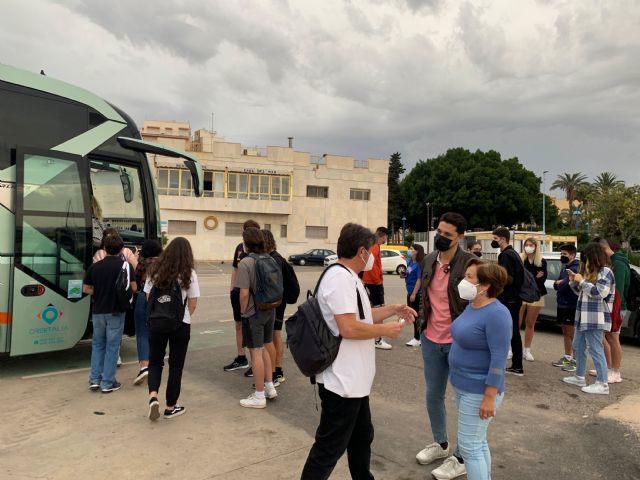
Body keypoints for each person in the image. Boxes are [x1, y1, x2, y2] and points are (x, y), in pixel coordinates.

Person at [301, 223, 416, 479]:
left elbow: (362, 316)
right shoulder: (339, 279)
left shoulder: (349, 276)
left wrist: (393, 309)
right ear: (362, 252)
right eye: (373, 250)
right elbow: (349, 327)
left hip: (355, 381)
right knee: (329, 448)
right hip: (342, 382)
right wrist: (385, 330)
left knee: (362, 437)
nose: (374, 256)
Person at [416, 212, 474, 480]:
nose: (440, 237)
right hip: (431, 339)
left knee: (464, 401)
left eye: (447, 234)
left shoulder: (470, 264)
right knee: (433, 395)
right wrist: (420, 325)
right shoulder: (429, 260)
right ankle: (440, 444)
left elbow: (482, 301)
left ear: (460, 237)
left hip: (459, 343)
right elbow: (425, 297)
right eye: (439, 231)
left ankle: (462, 456)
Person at [449, 258, 511, 480]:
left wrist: (489, 397)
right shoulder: (472, 306)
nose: (463, 281)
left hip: (479, 390)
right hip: (462, 385)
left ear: (485, 285)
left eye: (469, 277)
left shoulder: (497, 314)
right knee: (477, 442)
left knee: (470, 447)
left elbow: (499, 358)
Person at [145, 237, 200, 420]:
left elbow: (148, 298)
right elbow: (192, 303)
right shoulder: (189, 273)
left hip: (156, 323)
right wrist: (183, 316)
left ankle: (153, 396)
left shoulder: (154, 270)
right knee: (176, 366)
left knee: (155, 362)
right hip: (180, 324)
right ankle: (171, 406)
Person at [83, 233, 137, 393]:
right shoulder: (125, 266)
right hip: (116, 311)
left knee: (97, 344)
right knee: (112, 347)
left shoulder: (95, 267)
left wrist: (100, 292)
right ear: (121, 249)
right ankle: (107, 382)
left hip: (98, 311)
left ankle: (94, 379)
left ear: (104, 248)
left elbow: (86, 289)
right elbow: (133, 287)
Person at [562, 243, 615, 395]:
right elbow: (581, 292)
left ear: (594, 256)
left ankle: (602, 383)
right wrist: (573, 280)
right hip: (583, 316)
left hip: (596, 317)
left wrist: (582, 281)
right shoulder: (591, 272)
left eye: (586, 257)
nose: (585, 261)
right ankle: (579, 376)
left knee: (595, 348)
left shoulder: (606, 272)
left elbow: (599, 293)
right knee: (578, 345)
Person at [236, 227, 279, 408]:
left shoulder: (246, 263)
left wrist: (243, 312)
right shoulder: (269, 258)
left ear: (246, 243)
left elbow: (244, 294)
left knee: (255, 353)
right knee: (265, 348)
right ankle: (270, 387)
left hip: (254, 313)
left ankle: (259, 396)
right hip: (270, 309)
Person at [224, 219, 260, 376]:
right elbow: (235, 269)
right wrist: (232, 288)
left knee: (252, 328)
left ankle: (256, 363)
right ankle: (241, 357)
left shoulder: (260, 251)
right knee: (238, 325)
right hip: (238, 292)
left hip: (252, 295)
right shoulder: (239, 248)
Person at [592, 238, 630, 383]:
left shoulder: (618, 264)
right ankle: (607, 368)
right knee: (607, 337)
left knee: (613, 338)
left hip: (616, 307)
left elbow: (617, 291)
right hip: (610, 306)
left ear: (603, 249)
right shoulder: (612, 262)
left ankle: (616, 371)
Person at [491, 227, 525, 376]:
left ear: (503, 239)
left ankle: (516, 365)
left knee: (509, 331)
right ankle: (517, 364)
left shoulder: (505, 255)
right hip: (514, 298)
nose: (493, 241)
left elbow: (506, 278)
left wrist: (495, 280)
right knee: (513, 331)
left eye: (495, 239)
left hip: (508, 298)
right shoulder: (513, 253)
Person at [262, 229, 291, 384]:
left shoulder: (274, 260)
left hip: (276, 303)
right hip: (279, 301)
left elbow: (273, 284)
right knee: (275, 335)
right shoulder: (276, 258)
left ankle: (275, 372)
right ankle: (275, 370)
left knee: (274, 336)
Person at [132, 239, 163, 385]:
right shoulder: (165, 263)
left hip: (143, 297)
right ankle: (156, 365)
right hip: (162, 298)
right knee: (157, 332)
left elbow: (136, 280)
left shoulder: (142, 263)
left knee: (142, 332)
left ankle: (144, 366)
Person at [551, 244, 580, 372]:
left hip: (571, 304)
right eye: (561, 254)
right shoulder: (565, 268)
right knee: (565, 331)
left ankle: (576, 360)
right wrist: (559, 283)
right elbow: (556, 284)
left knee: (572, 333)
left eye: (565, 254)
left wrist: (560, 283)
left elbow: (564, 286)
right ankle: (567, 356)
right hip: (562, 303)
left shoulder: (574, 268)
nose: (562, 256)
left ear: (572, 255)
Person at [363, 227, 392, 350]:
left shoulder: (371, 245)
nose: (386, 239)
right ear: (383, 236)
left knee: (370, 310)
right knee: (380, 311)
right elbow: (373, 267)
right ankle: (378, 339)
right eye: (386, 237)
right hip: (374, 283)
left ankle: (372, 337)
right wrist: (378, 281)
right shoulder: (374, 247)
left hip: (368, 282)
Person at [519, 238, 547, 362]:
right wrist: (534, 277)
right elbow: (520, 277)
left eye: (531, 245)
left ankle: (527, 350)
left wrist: (531, 279)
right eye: (527, 245)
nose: (528, 247)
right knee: (516, 322)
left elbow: (542, 279)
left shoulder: (541, 261)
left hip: (537, 295)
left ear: (536, 246)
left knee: (530, 323)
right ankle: (512, 348)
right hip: (520, 294)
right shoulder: (520, 259)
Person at [403, 244, 424, 347]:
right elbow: (407, 274)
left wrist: (414, 294)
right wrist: (403, 275)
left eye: (411, 249)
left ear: (417, 251)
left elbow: (419, 280)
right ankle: (418, 337)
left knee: (416, 316)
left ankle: (417, 338)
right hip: (410, 292)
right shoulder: (410, 262)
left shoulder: (419, 264)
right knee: (413, 314)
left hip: (416, 293)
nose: (409, 250)